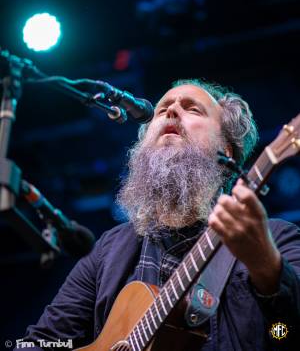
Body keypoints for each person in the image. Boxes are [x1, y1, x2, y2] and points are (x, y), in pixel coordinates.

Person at [17, 79, 300, 350]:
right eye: (162, 109)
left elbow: (284, 333)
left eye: (192, 108)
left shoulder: (274, 239)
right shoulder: (107, 252)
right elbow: (42, 342)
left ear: (225, 150)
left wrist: (266, 266)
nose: (171, 110)